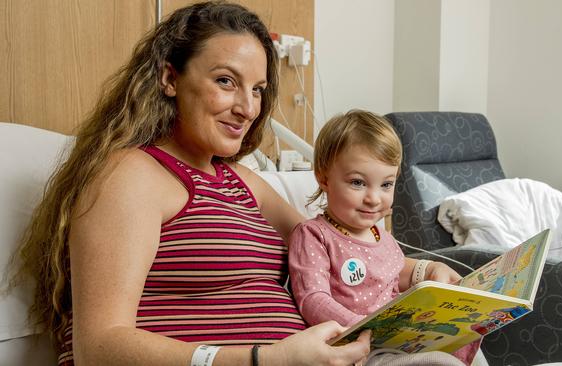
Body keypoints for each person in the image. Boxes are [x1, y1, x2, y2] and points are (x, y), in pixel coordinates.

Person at [10, 2, 371, 365]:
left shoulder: (242, 181)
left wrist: (421, 273)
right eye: (226, 81)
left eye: (258, 89)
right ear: (170, 79)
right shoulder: (130, 176)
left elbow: (333, 250)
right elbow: (98, 348)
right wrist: (266, 359)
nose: (247, 107)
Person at [288, 110, 481, 365]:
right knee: (439, 362)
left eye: (386, 185)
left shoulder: (381, 234)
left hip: (400, 339)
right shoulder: (315, 235)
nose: (374, 198)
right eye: (358, 183)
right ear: (323, 177)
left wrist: (432, 278)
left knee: (469, 343)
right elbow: (313, 299)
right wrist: (364, 327)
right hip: (359, 349)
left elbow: (394, 275)